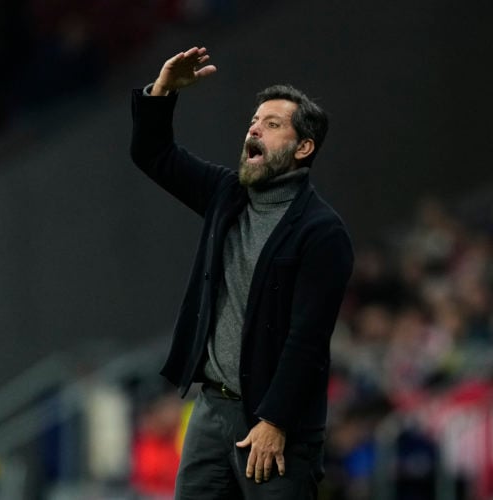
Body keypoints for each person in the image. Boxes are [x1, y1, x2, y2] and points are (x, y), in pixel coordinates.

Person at [130, 46, 354, 499]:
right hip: (210, 411)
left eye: (272, 125)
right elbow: (153, 153)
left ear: (303, 147)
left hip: (275, 426)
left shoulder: (322, 232)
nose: (254, 128)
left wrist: (275, 422)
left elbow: (307, 338)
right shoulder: (226, 194)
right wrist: (164, 90)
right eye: (254, 120)